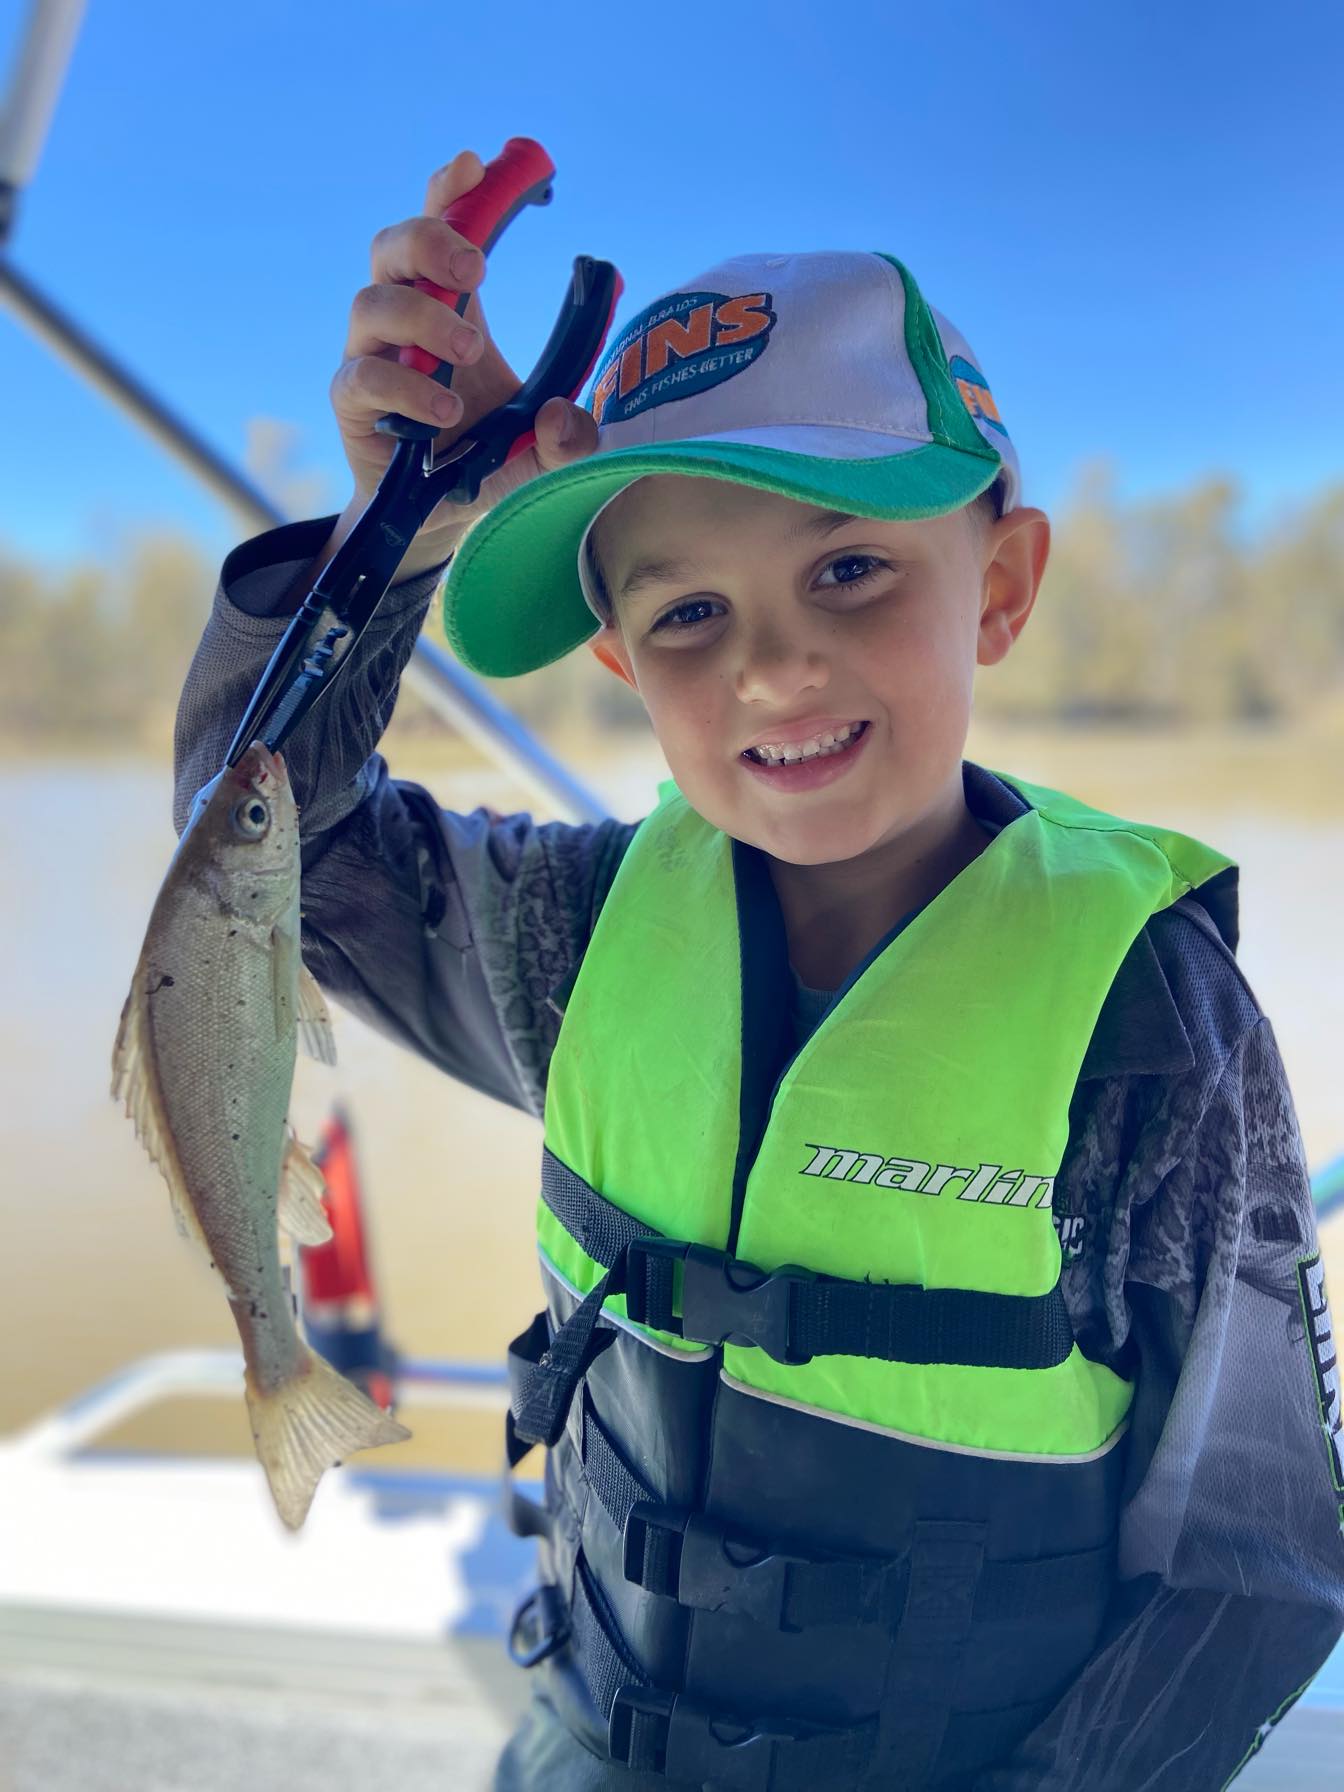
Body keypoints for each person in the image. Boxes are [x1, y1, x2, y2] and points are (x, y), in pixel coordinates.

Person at [174, 151, 1344, 1790]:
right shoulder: (568, 934)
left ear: (998, 586)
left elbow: (1251, 1569)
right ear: (615, 658)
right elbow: (252, 868)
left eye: (849, 570)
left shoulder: (1157, 1030)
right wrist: (401, 528)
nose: (772, 667)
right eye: (687, 615)